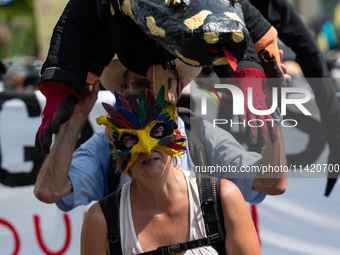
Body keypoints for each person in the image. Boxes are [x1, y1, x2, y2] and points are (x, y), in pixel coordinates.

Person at [34, 59, 287, 212]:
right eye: (142, 86)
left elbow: (270, 182)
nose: (153, 97)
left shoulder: (202, 137)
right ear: (123, 91)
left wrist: (266, 105)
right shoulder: (106, 145)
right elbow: (49, 191)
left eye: (163, 84)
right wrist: (73, 119)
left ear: (179, 89)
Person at [80, 89, 262, 255]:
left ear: (175, 133)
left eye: (156, 132)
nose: (146, 149)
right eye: (130, 139)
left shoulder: (223, 198)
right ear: (117, 150)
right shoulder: (101, 221)